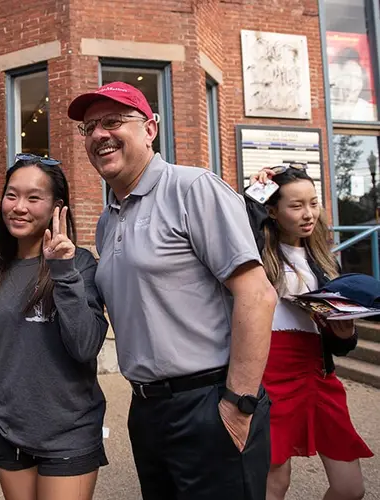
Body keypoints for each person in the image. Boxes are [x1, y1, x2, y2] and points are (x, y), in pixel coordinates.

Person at [67, 81, 279, 499]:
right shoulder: (108, 219)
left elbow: (257, 296)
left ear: (150, 129)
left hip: (210, 402)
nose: (98, 135)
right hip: (147, 409)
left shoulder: (193, 188)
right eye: (89, 128)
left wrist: (239, 405)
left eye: (113, 121)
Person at [0, 154, 109, 500]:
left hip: (69, 432)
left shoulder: (80, 264)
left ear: (57, 206)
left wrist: (63, 271)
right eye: (12, 195)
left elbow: (85, 345)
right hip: (10, 433)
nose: (19, 207)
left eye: (34, 198)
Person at [247, 165, 373, 500]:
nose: (308, 214)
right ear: (272, 211)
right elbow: (237, 224)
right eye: (296, 205)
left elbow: (340, 342)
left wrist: (343, 334)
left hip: (318, 374)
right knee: (275, 481)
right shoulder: (257, 252)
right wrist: (257, 191)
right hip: (270, 374)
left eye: (313, 203)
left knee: (350, 488)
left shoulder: (323, 260)